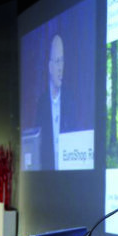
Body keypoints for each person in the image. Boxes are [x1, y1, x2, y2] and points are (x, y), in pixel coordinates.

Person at [36, 34, 74, 170]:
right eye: (57, 61)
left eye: (62, 61)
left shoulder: (70, 101)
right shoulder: (41, 104)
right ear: (50, 67)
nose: (60, 68)